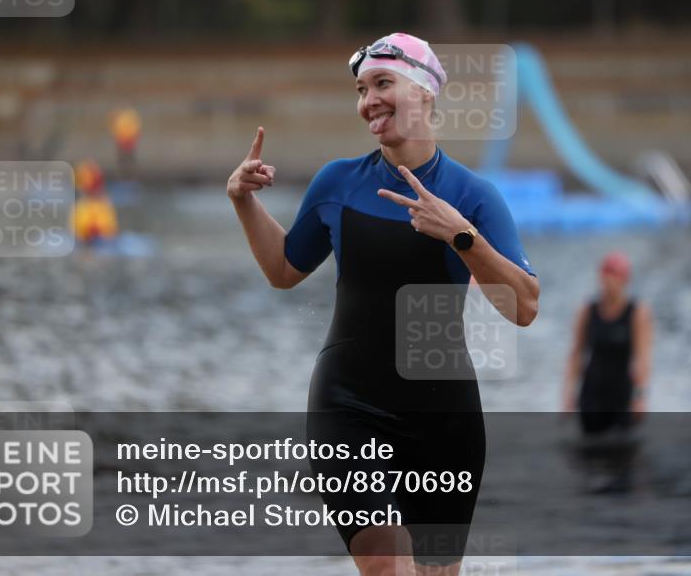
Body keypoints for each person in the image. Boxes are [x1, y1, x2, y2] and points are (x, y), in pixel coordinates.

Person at [227, 33, 539, 576]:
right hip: (348, 402)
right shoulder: (339, 182)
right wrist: (243, 202)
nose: (369, 100)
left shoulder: (473, 196)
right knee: (386, 565)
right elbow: (283, 270)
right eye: (361, 89)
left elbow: (525, 307)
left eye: (382, 84)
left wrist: (462, 236)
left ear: (424, 92)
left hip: (442, 415)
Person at [562, 252, 652, 434]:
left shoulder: (637, 312)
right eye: (605, 277)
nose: (609, 283)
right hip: (592, 392)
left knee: (624, 445)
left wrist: (640, 395)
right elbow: (576, 354)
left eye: (614, 277)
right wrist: (568, 393)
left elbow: (643, 357)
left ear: (624, 280)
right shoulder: (588, 311)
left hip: (622, 392)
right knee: (589, 445)